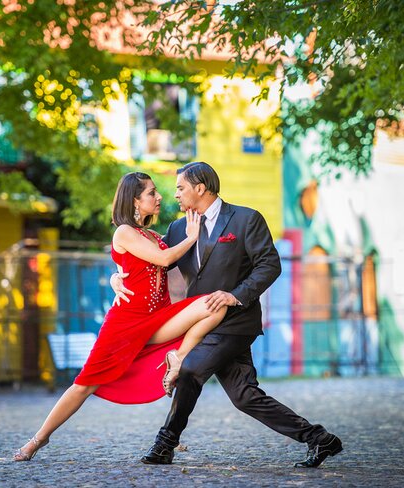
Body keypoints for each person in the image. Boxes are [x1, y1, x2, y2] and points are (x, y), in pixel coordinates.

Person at [111, 161, 343, 468]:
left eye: (181, 188)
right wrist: (117, 276)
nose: (175, 195)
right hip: (202, 323)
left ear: (200, 188)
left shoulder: (246, 219)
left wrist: (235, 295)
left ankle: (164, 444)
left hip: (236, 322)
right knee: (245, 396)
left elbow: (270, 265)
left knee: (190, 369)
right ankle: (321, 439)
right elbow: (150, 263)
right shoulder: (178, 228)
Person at [13, 172, 227, 462]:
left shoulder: (151, 235)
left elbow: (140, 265)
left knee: (216, 304)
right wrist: (191, 238)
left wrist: (117, 275)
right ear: (135, 201)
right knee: (84, 385)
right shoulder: (123, 232)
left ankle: (177, 358)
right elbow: (163, 259)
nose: (160, 196)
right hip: (126, 324)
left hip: (159, 318)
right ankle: (38, 439)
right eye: (152, 193)